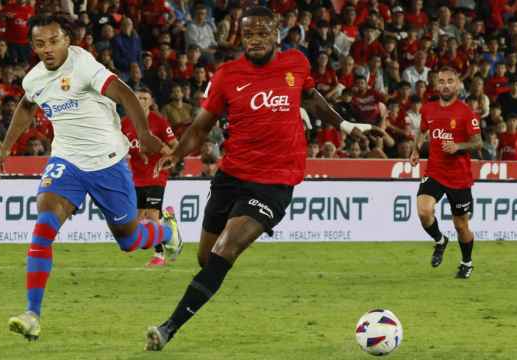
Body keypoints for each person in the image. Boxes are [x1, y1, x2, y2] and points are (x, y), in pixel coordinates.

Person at [144, 7, 376, 351]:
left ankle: (168, 328)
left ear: (276, 35)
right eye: (248, 34)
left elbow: (312, 98)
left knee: (226, 248)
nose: (254, 40)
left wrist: (343, 125)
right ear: (241, 36)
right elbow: (201, 126)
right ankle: (197, 268)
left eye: (262, 33)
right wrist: (177, 154)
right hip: (231, 175)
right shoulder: (227, 75)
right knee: (206, 260)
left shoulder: (296, 65)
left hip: (275, 182)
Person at [0, 14, 182, 341]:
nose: (47, 49)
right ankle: (32, 314)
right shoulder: (35, 79)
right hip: (66, 162)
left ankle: (166, 232)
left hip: (108, 162)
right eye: (40, 44)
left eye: (54, 41)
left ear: (67, 39)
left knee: (128, 239)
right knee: (44, 225)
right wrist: (4, 150)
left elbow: (123, 92)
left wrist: (144, 134)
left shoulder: (83, 64)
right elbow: (25, 107)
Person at [410, 66, 482, 280]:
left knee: (461, 226)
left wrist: (458, 147)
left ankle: (466, 262)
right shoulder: (428, 109)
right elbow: (422, 130)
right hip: (434, 171)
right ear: (436, 84)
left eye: (450, 81)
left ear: (458, 84)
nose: (445, 85)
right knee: (424, 211)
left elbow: (478, 143)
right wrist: (416, 149)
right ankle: (440, 241)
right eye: (441, 81)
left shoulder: (466, 112)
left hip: (459, 178)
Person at [121, 87, 178, 267]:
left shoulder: (159, 122)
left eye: (145, 98)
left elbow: (175, 145)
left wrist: (168, 158)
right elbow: (119, 146)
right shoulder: (125, 123)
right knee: (138, 218)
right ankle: (169, 227)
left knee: (152, 214)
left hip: (156, 174)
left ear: (151, 101)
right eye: (138, 98)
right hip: (137, 176)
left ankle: (159, 256)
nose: (142, 101)